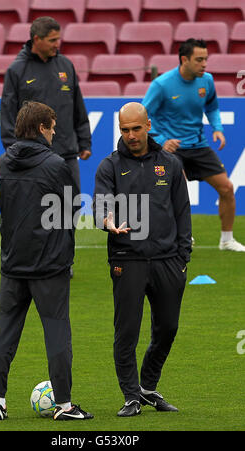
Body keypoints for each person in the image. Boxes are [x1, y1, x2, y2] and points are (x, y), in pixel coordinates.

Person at [0, 101, 93, 422]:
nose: (55, 131)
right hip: (49, 265)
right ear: (41, 128)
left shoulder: (2, 163)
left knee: (4, 330)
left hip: (13, 262)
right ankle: (63, 405)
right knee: (57, 331)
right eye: (52, 126)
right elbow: (73, 207)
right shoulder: (56, 165)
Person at [93, 102, 192, 417]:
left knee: (168, 328)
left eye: (136, 128)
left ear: (148, 125)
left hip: (168, 261)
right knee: (127, 333)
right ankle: (131, 396)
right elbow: (100, 206)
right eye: (125, 130)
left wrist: (183, 257)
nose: (131, 135)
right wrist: (108, 222)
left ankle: (147, 387)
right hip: (127, 259)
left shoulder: (170, 164)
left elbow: (182, 212)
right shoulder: (109, 166)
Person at [0, 16, 92, 275]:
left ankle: (64, 259)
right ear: (36, 39)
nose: (57, 44)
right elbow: (8, 113)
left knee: (71, 205)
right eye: (52, 40)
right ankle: (33, 258)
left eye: (58, 39)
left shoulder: (65, 66)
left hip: (66, 152)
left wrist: (84, 140)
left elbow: (78, 107)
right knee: (35, 209)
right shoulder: (16, 71)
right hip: (32, 156)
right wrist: (12, 150)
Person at [142, 38, 245, 252]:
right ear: (184, 60)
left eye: (206, 59)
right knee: (177, 190)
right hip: (172, 149)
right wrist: (161, 140)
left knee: (226, 188)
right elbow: (142, 117)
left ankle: (226, 240)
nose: (205, 64)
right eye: (199, 60)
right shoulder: (161, 85)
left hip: (199, 145)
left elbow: (212, 107)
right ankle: (182, 237)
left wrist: (217, 128)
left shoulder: (206, 81)